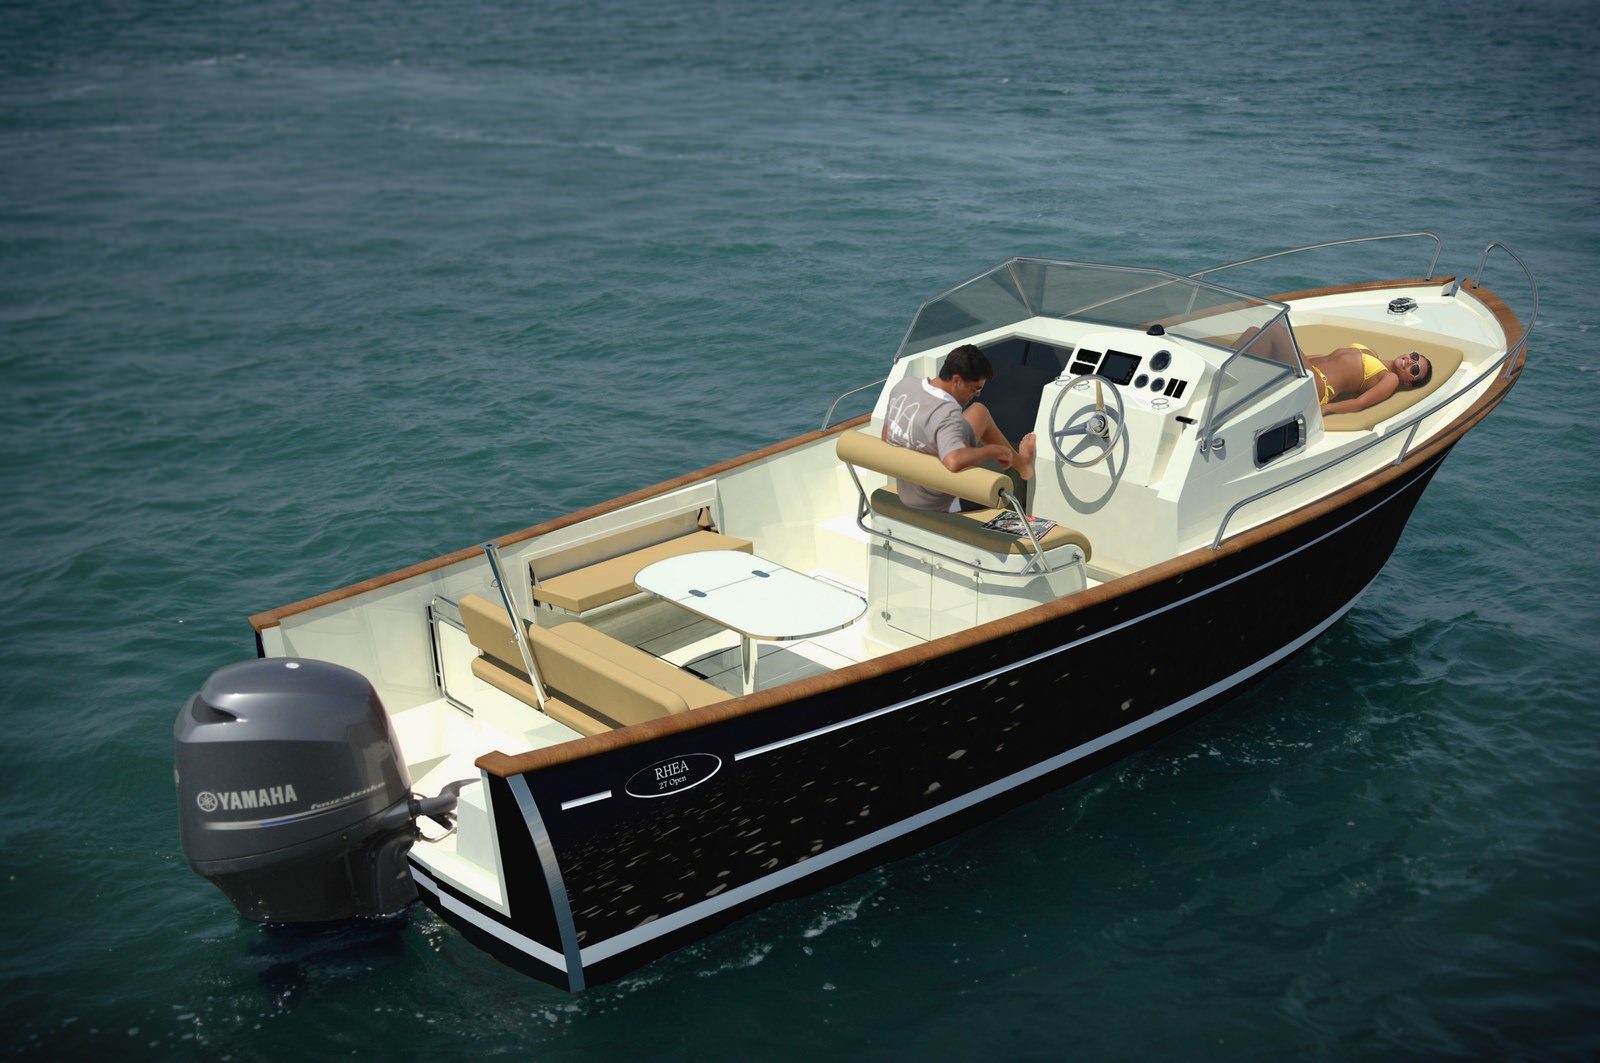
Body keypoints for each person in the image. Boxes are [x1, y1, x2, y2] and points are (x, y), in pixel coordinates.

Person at [882, 343, 1038, 512]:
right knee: (1001, 489)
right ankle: (1023, 466)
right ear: (956, 380)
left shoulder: (905, 385)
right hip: (938, 501)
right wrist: (995, 450)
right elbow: (954, 462)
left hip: (907, 490)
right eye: (975, 388)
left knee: (978, 411)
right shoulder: (946, 413)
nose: (977, 394)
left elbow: (886, 435)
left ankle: (1022, 465)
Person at [1236, 325, 1433, 415]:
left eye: (1415, 369)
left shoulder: (1390, 379)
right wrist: (1294, 356)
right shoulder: (1372, 352)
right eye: (1415, 356)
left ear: (1409, 382)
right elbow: (1327, 358)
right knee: (1255, 331)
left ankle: (1233, 377)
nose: (1410, 362)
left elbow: (1361, 403)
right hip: (1310, 370)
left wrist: (1326, 409)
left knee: (1275, 331)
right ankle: (1230, 372)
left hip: (1318, 386)